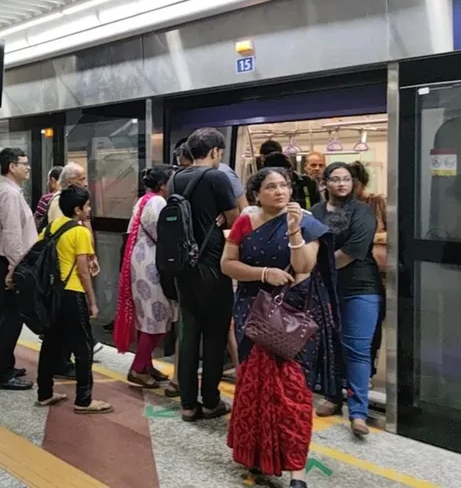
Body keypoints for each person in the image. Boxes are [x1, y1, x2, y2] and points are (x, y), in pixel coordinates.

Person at [222, 167, 342, 487]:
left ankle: (296, 471)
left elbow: (304, 268)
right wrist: (264, 273)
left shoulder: (306, 222)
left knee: (292, 396)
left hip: (292, 318)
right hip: (253, 313)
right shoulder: (245, 222)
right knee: (254, 392)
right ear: (257, 193)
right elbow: (227, 264)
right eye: (271, 187)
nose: (280, 191)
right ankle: (258, 457)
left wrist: (293, 232)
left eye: (284, 185)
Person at [171, 128, 239, 422]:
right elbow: (236, 221)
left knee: (188, 333)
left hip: (183, 266)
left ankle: (188, 403)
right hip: (212, 263)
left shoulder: (176, 177)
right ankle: (210, 401)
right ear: (214, 152)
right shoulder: (216, 177)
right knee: (214, 335)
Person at [311, 162, 383, 436]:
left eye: (346, 179)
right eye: (335, 179)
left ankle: (359, 412)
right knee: (329, 346)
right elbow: (308, 243)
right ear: (325, 183)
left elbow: (353, 250)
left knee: (357, 349)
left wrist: (316, 269)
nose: (342, 184)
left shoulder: (363, 213)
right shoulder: (316, 212)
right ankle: (332, 397)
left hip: (360, 288)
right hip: (326, 288)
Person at [35, 186, 112, 414]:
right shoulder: (80, 232)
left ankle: (45, 394)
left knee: (50, 344)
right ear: (78, 209)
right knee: (83, 347)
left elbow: (35, 254)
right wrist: (93, 300)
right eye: (87, 206)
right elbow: (83, 270)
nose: (89, 209)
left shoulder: (50, 228)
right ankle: (84, 399)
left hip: (52, 295)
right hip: (72, 294)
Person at [116, 165, 177, 389]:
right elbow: (163, 235)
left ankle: (146, 364)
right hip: (150, 266)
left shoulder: (145, 200)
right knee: (155, 318)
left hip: (141, 262)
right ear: (162, 185)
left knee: (149, 319)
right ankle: (138, 369)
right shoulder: (158, 203)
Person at [0, 147, 37, 389]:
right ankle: (3, 374)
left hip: (5, 263)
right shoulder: (9, 194)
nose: (28, 167)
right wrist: (15, 270)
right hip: (10, 264)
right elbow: (12, 235)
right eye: (24, 163)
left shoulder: (4, 189)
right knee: (10, 319)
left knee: (3, 317)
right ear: (11, 166)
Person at [348, 161, 387, 379]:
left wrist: (367, 238)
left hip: (376, 273)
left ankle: (368, 370)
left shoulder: (376, 203)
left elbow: (393, 231)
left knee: (372, 324)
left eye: (353, 183)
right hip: (347, 271)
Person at [34, 165, 62, 231]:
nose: (47, 183)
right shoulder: (71, 197)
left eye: (48, 180)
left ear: (52, 180)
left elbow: (37, 223)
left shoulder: (46, 199)